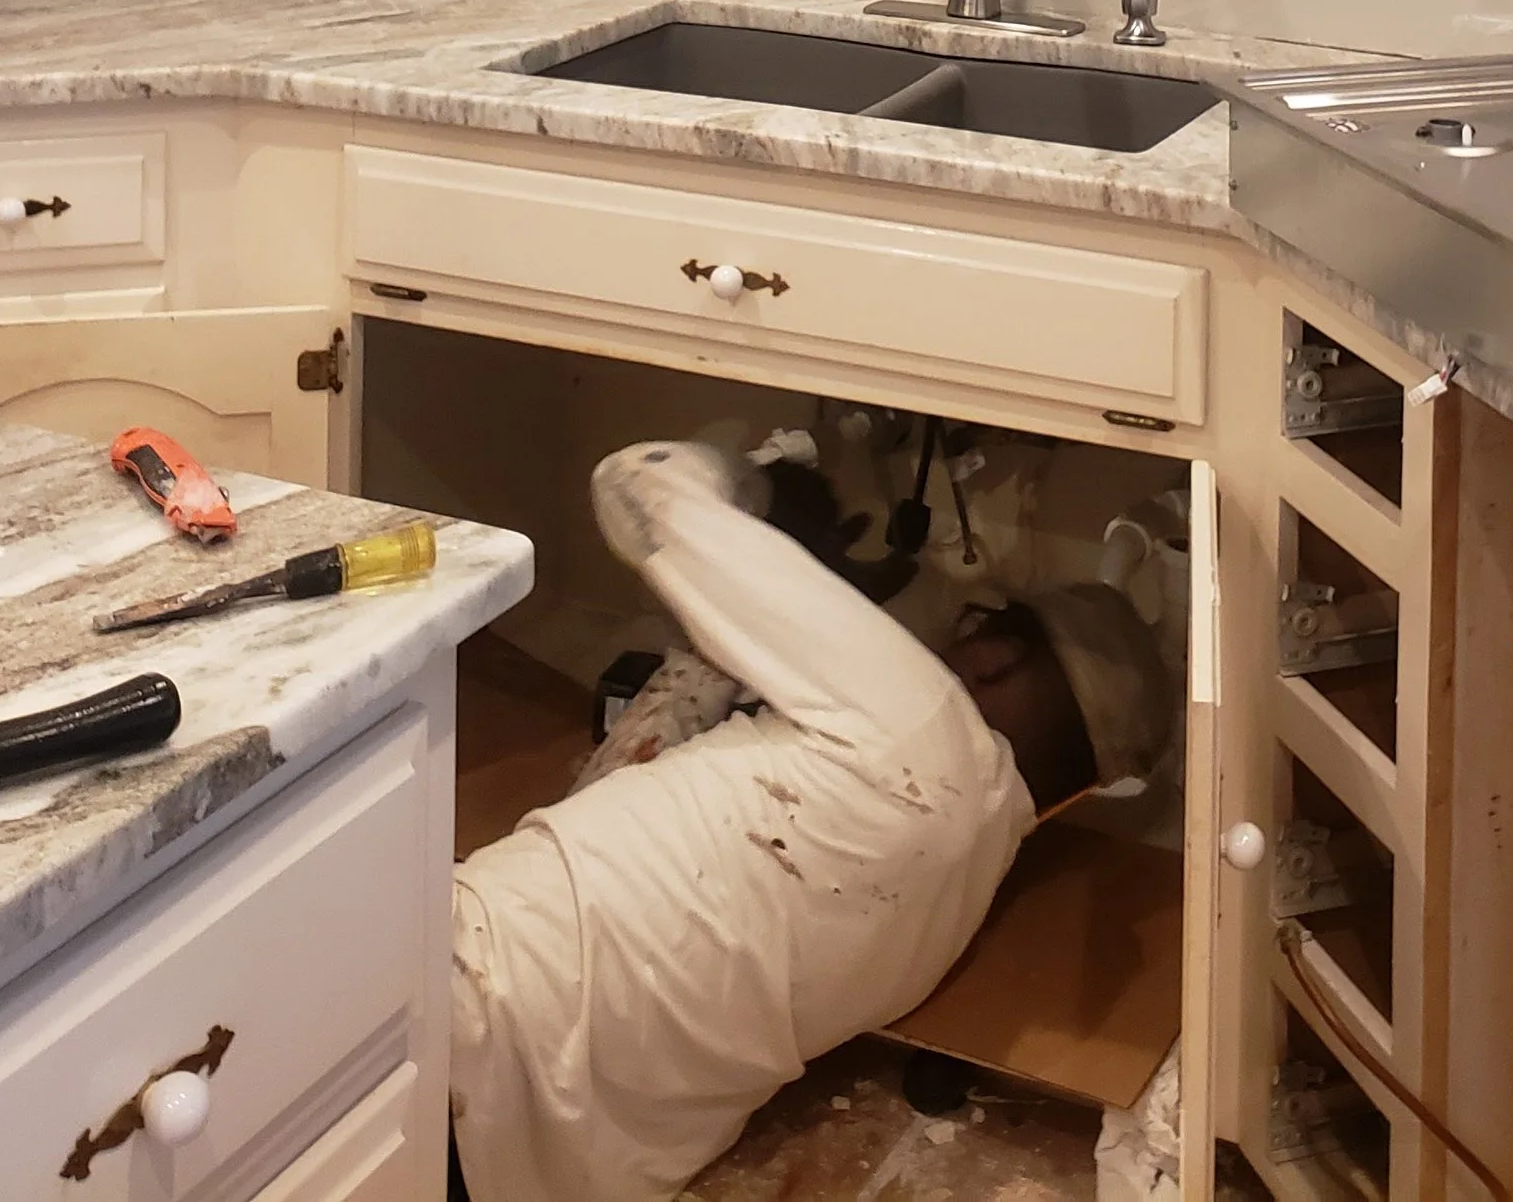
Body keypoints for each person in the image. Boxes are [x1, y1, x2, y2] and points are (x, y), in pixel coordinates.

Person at [450, 436, 1174, 1202]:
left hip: (463, 1023)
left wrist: (759, 489)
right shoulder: (950, 913)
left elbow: (635, 484)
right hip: (531, 1170)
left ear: (993, 651)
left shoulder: (922, 719)